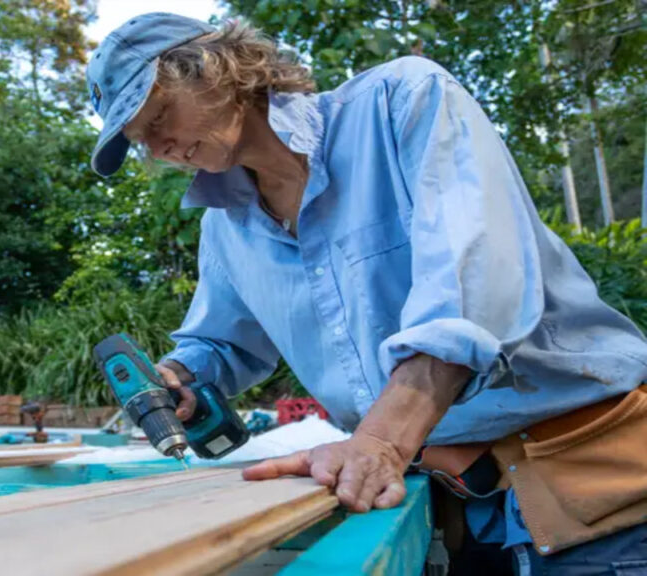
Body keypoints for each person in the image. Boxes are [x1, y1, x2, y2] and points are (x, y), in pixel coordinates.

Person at [84, 12, 647, 576]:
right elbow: (223, 343)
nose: (160, 148)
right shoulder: (226, 225)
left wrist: (379, 441)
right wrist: (183, 376)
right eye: (141, 141)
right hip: (453, 502)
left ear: (217, 68)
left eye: (159, 116)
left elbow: (471, 289)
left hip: (595, 487)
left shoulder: (401, 101)